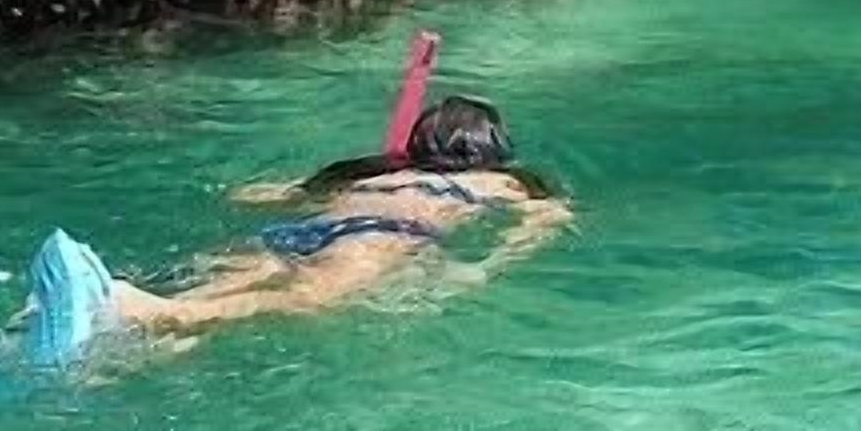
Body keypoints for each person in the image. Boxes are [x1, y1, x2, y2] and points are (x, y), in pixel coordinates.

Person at [30, 92, 569, 356]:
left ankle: (115, 317)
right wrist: (484, 267)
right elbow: (546, 222)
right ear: (491, 151)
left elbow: (261, 196)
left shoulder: (368, 173)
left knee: (225, 282)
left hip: (306, 228)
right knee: (308, 299)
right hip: (381, 237)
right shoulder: (503, 183)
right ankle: (148, 311)